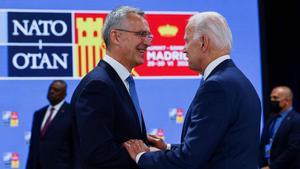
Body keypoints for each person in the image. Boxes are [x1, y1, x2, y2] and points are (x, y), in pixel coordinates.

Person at [123, 11, 261, 169]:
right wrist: (166, 148)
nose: (183, 50)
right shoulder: (236, 79)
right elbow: (214, 147)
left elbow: (189, 160)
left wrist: (142, 157)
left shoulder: (217, 87)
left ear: (203, 42)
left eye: (187, 41)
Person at [70, 6, 152, 169]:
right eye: (141, 34)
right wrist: (145, 156)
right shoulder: (98, 86)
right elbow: (97, 154)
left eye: (148, 35)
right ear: (116, 36)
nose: (147, 42)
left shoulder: (118, 82)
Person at [26, 80, 73, 169]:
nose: (52, 92)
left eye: (56, 90)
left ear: (64, 94)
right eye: (50, 89)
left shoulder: (71, 113)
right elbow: (33, 146)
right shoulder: (39, 114)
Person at [259, 86, 300, 169]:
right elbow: (263, 144)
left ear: (287, 100)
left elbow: (294, 148)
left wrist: (272, 167)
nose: (272, 100)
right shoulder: (271, 119)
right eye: (271, 97)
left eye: (275, 98)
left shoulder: (296, 119)